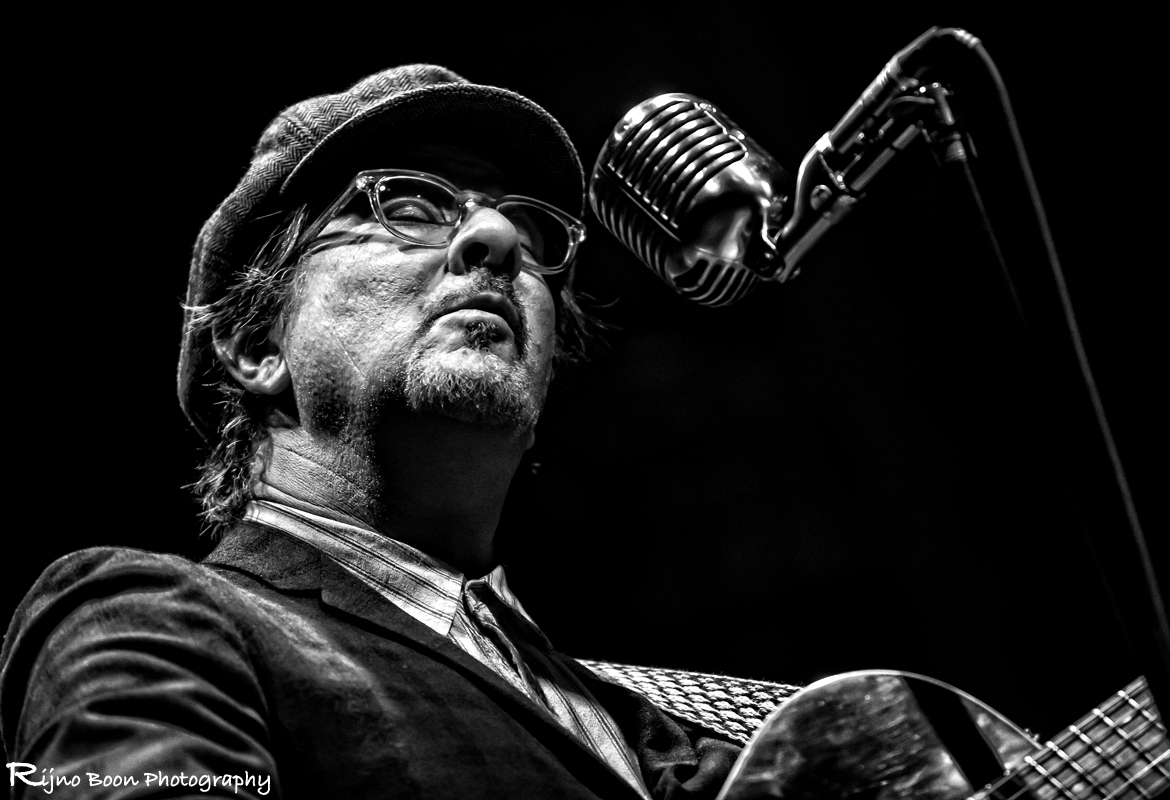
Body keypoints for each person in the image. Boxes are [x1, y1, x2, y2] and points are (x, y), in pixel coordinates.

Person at [0, 65, 741, 799]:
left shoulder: (665, 726)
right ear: (257, 344)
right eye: (410, 204)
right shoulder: (154, 623)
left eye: (527, 228)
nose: (497, 237)